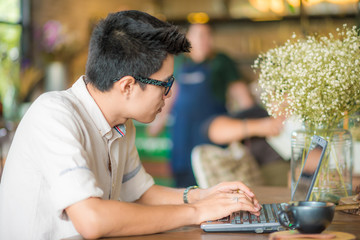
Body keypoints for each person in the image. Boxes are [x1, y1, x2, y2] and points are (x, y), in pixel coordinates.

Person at [0, 11, 261, 240]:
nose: (168, 95)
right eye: (165, 84)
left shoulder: (122, 124)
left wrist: (201, 196)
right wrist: (197, 212)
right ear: (127, 86)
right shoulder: (54, 114)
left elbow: (141, 193)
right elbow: (91, 220)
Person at [148, 23, 250, 187]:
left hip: (212, 135)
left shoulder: (221, 61)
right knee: (183, 187)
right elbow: (171, 92)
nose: (204, 40)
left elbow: (242, 95)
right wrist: (157, 121)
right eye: (199, 35)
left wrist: (251, 121)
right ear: (188, 38)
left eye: (207, 35)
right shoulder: (179, 62)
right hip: (183, 135)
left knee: (214, 184)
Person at [205, 104, 290, 186]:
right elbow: (214, 130)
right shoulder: (260, 114)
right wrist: (263, 126)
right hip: (263, 175)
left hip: (290, 174)